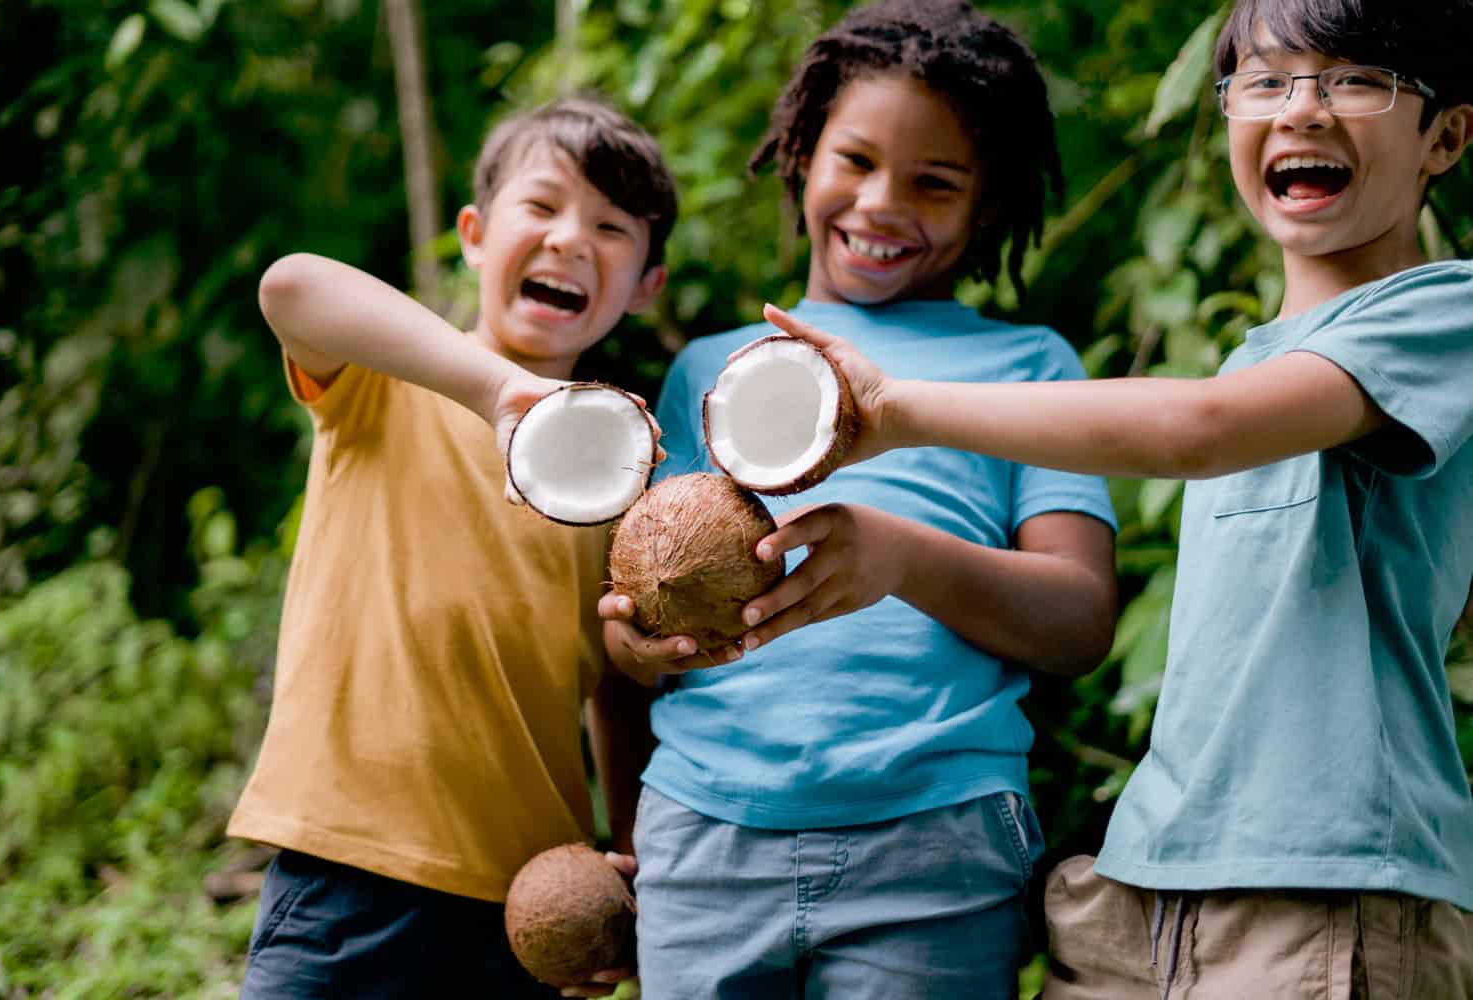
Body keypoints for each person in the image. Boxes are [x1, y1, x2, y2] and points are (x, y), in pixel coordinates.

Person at [760, 0, 1473, 994]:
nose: (1303, 109)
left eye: (1353, 80)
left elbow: (1199, 431)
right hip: (1147, 883)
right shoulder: (1252, 360)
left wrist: (898, 410)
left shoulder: (1445, 311)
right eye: (1266, 81)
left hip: (1325, 884)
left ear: (1445, 133)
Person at [600, 3, 1120, 996]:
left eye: (935, 182)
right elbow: (636, 620)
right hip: (704, 832)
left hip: (938, 836)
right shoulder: (712, 370)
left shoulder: (1030, 368)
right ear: (801, 153)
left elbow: (1080, 619)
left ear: (989, 204)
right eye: (857, 160)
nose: (883, 203)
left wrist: (904, 557)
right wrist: (633, 647)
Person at [227, 97, 676, 999]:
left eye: (611, 227)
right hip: (342, 872)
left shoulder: (626, 476)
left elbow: (622, 687)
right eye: (541, 208)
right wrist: (501, 391)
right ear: (473, 234)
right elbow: (289, 284)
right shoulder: (383, 383)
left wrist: (629, 856)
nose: (569, 240)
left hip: (525, 901)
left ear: (646, 287)